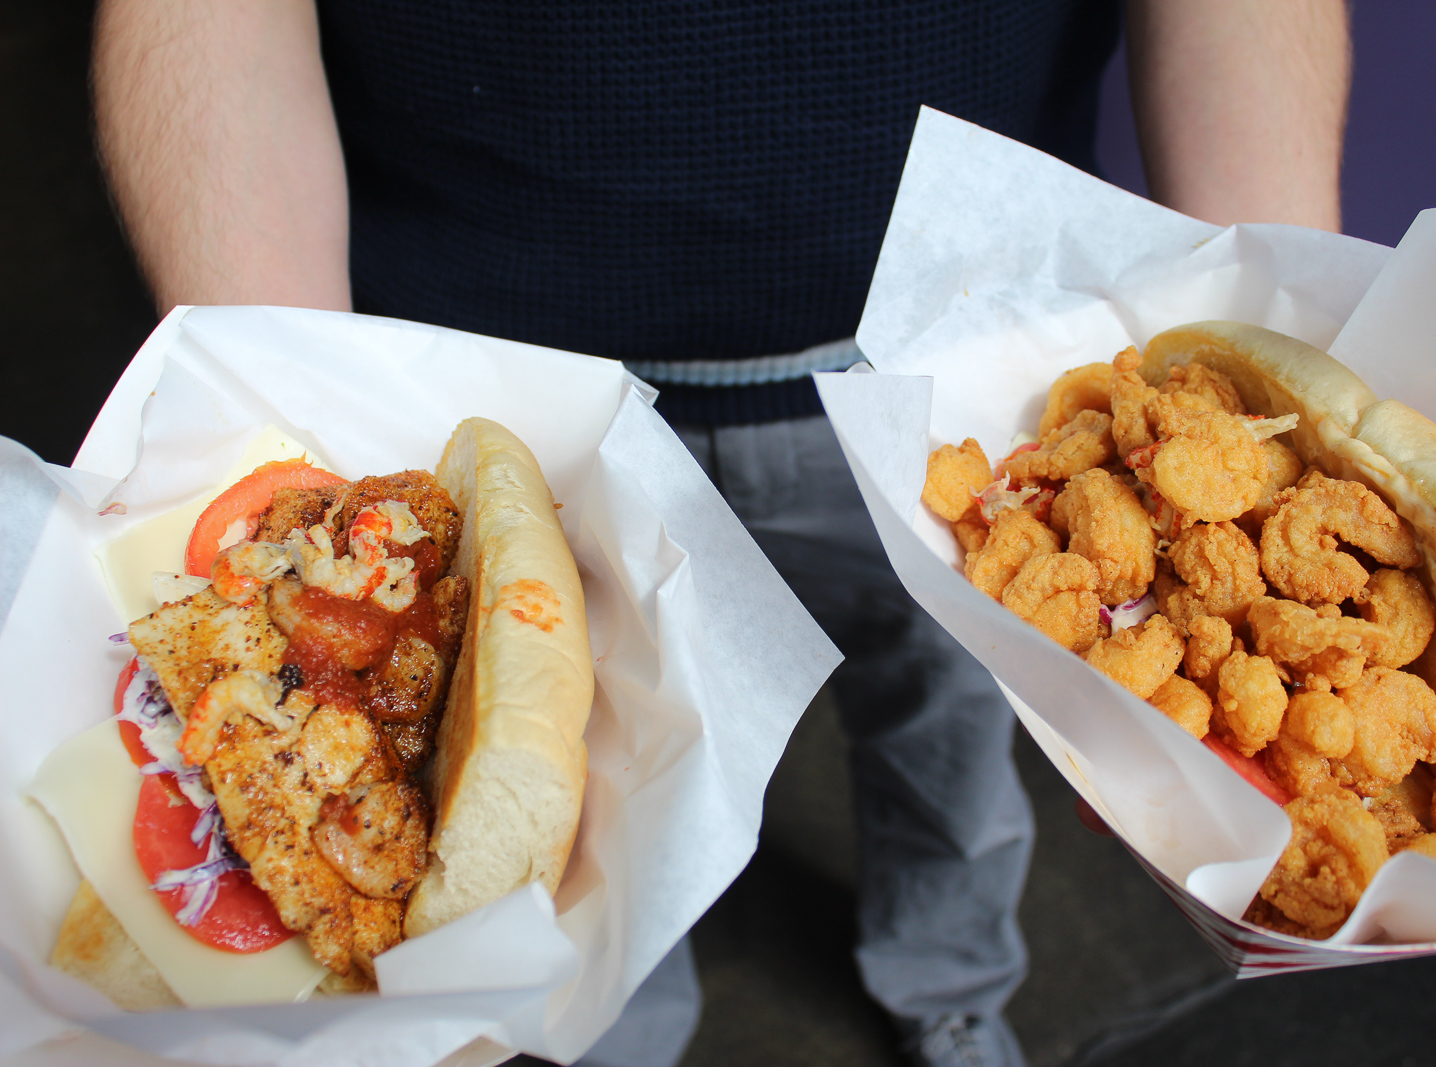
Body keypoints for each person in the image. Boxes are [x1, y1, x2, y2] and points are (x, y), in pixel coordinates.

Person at [91, 2, 1350, 1064]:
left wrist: (1275, 416)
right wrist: (273, 419)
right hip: (486, 386)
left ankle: (954, 993)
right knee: (576, 827)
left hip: (958, 386)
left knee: (950, 734)